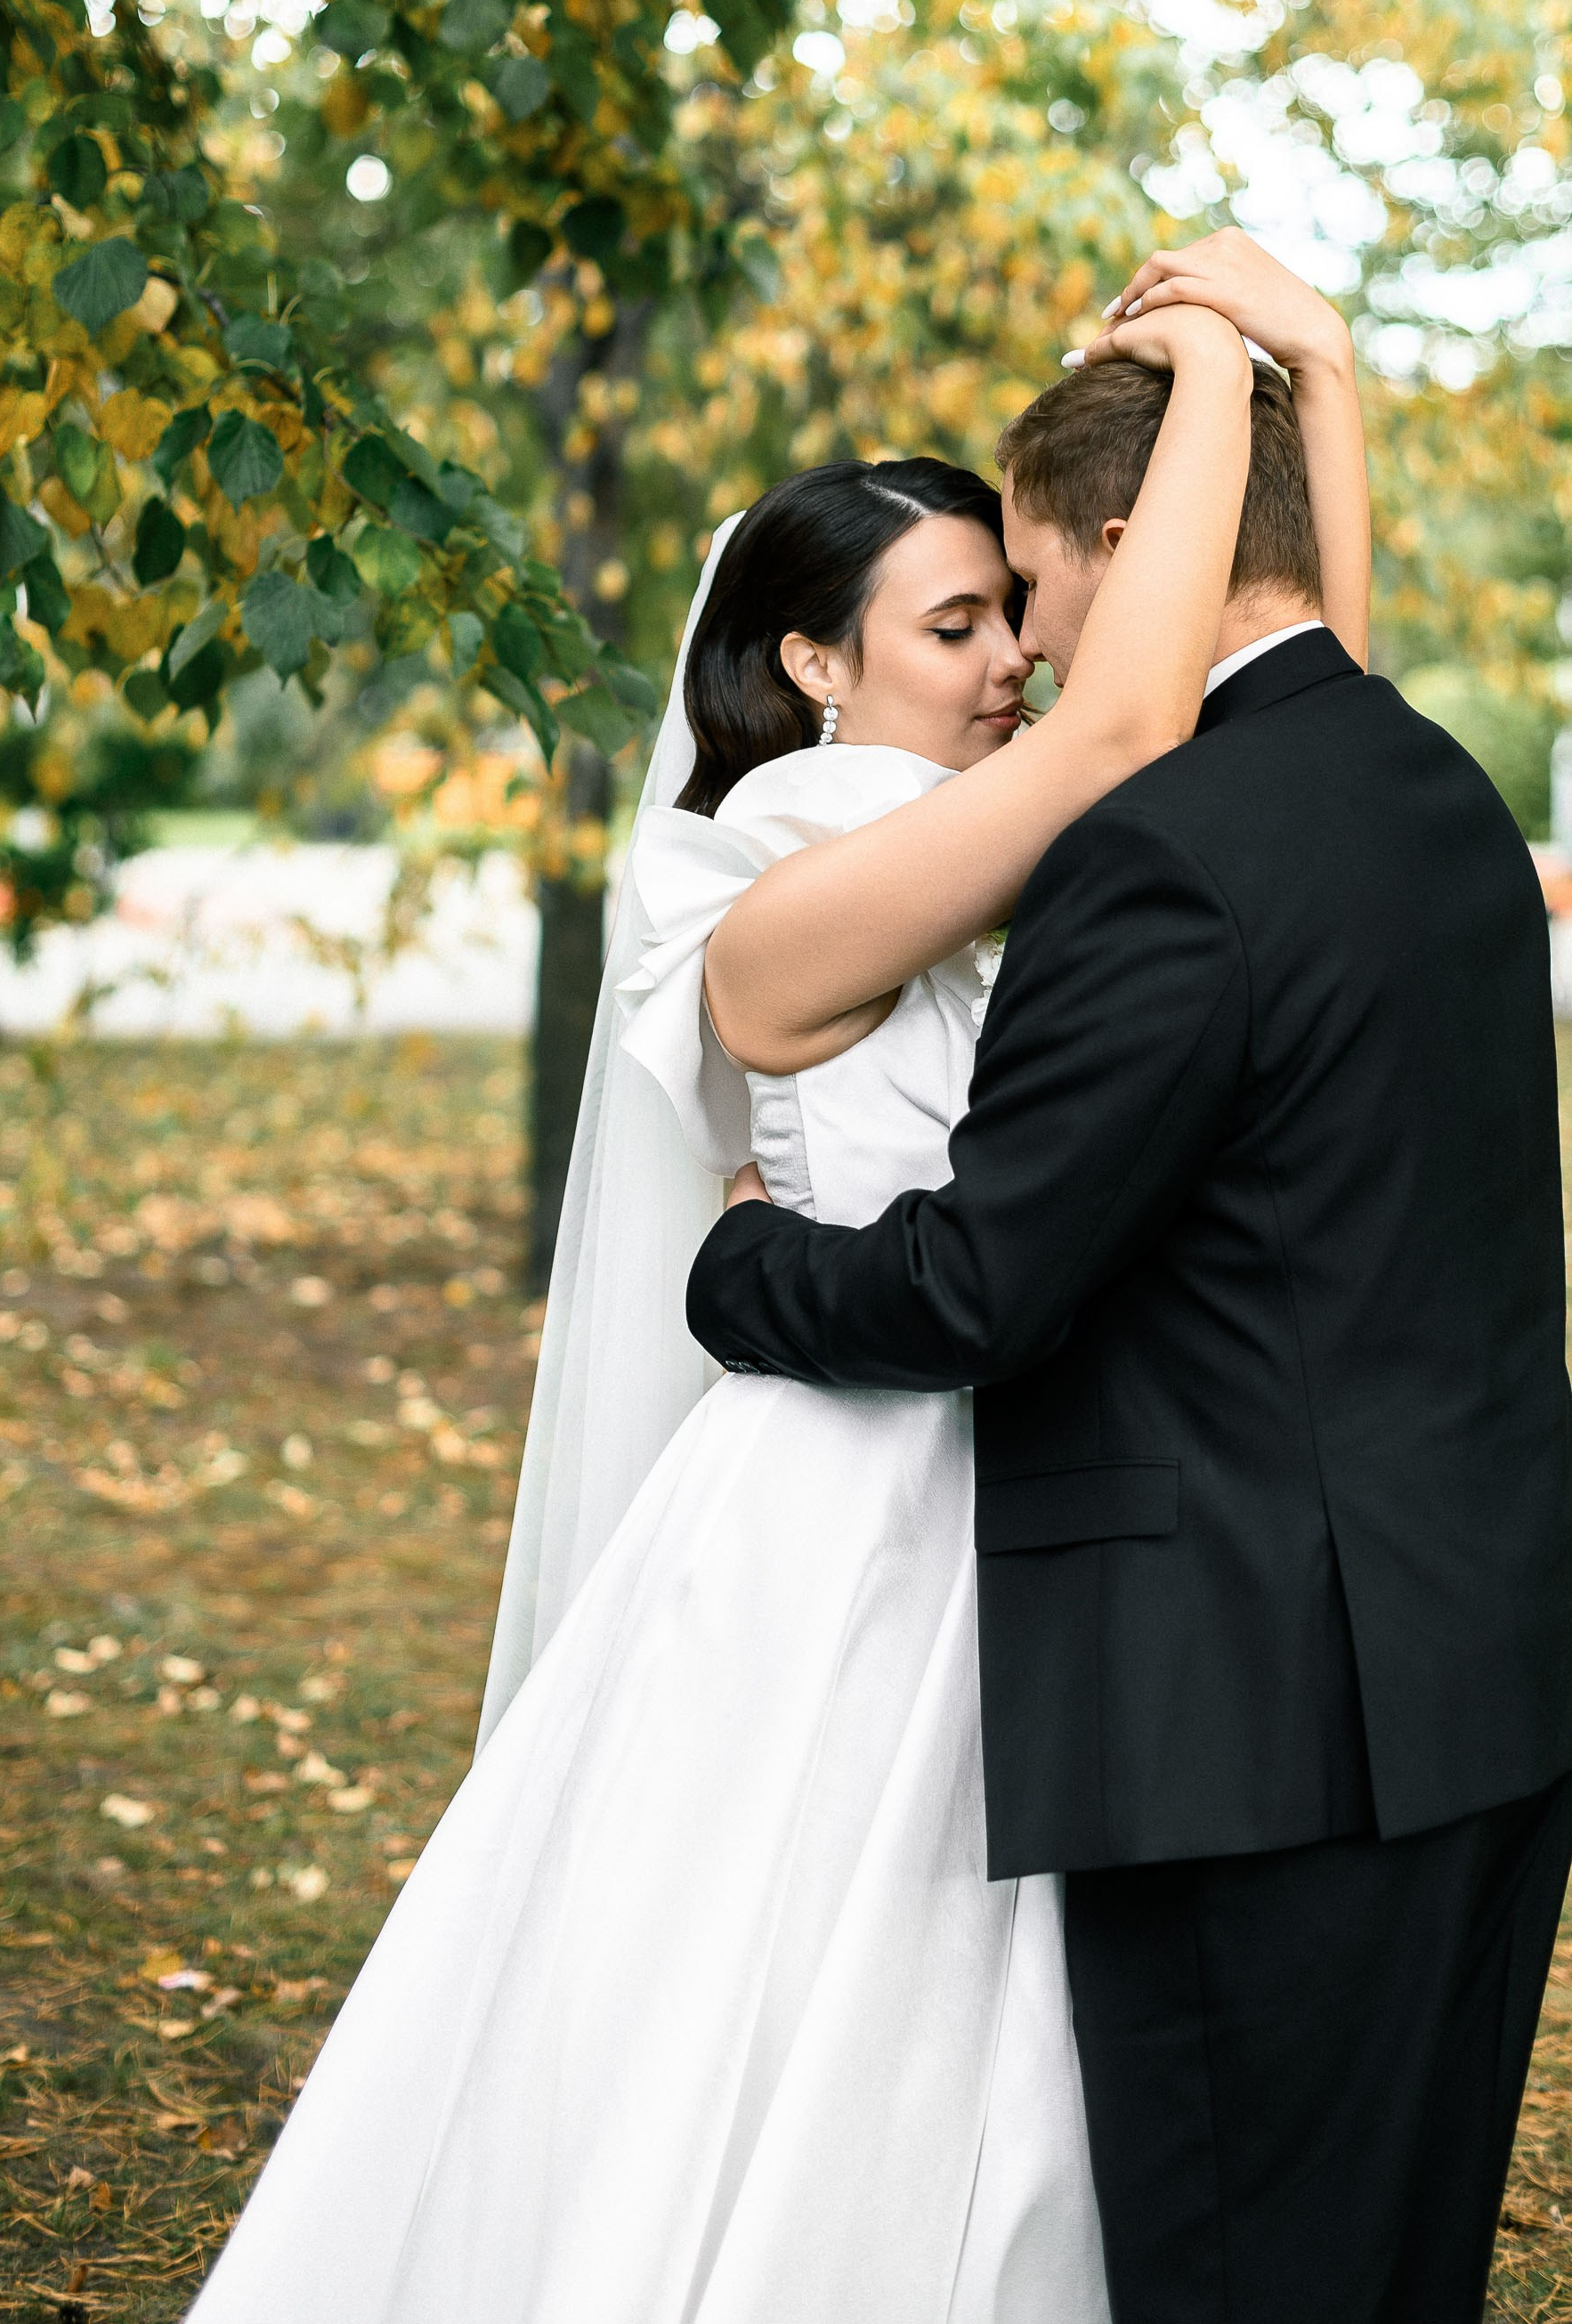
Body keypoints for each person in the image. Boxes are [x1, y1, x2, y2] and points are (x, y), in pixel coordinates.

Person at [186, 237, 1361, 2324]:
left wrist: (1326, 386)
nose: (1016, 657)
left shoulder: (1022, 857)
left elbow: (1306, 705)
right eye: (957, 623)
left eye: (1015, 607)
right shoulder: (792, 892)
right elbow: (1131, 722)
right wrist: (1211, 367)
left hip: (1043, 1476)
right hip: (854, 1525)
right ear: (814, 662)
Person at [688, 233, 1572, 2324]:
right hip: (1489, 1665)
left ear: (1132, 551)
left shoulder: (1160, 855)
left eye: (1027, 587)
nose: (1027, 649)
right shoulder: (1428, 784)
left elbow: (978, 1287)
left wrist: (740, 1274)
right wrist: (1307, 367)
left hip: (1266, 1721)